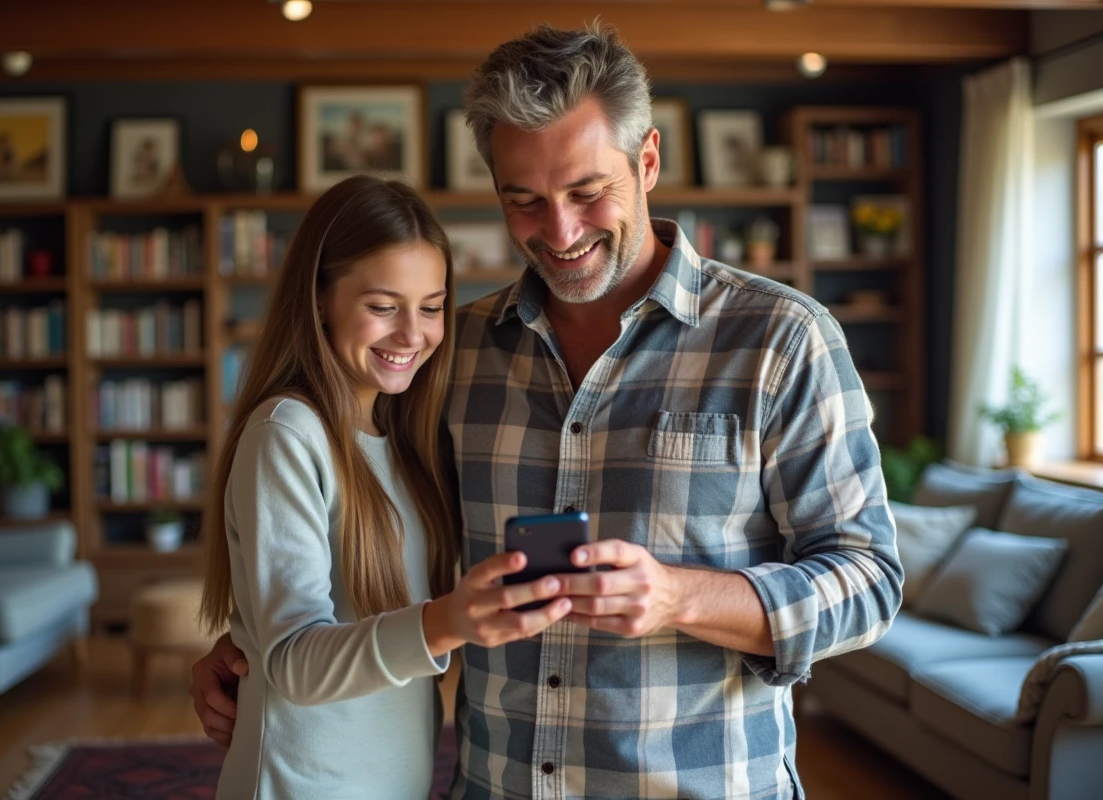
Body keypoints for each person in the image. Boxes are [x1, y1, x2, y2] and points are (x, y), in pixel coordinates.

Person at [192, 24, 902, 800]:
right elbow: (371, 522)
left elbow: (867, 582)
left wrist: (678, 596)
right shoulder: (453, 351)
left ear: (649, 161)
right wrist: (254, 644)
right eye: (523, 200)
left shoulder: (780, 340)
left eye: (587, 192)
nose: (560, 233)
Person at [198, 175, 575, 800]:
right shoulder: (287, 433)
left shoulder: (406, 435)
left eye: (431, 307)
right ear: (319, 298)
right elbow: (290, 659)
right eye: (382, 306)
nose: (412, 334)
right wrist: (447, 620)